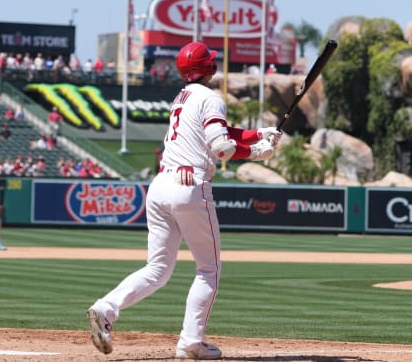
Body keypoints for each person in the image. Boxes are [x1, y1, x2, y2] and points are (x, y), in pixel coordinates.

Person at [86, 41, 282, 360]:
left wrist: (258, 134)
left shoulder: (183, 97)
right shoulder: (211, 97)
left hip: (161, 183)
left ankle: (104, 309)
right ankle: (191, 342)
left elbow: (221, 131)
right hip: (189, 185)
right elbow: (220, 146)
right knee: (209, 270)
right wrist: (255, 153)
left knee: (158, 268)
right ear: (210, 68)